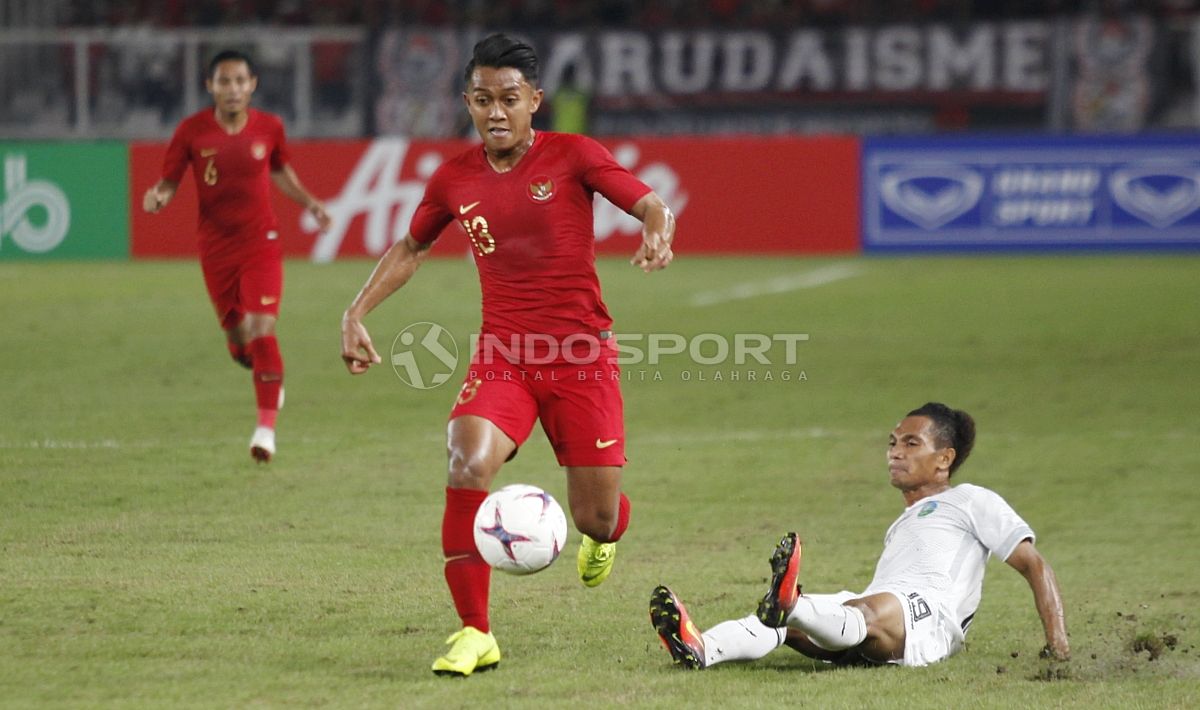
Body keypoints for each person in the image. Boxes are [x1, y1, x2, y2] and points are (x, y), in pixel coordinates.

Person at [340, 33, 675, 677]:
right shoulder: (453, 178)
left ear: (535, 102)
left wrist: (658, 232)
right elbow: (410, 249)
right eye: (483, 98)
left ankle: (604, 534)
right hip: (504, 356)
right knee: (466, 460)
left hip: (582, 358)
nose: (496, 111)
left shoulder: (574, 156)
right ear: (467, 102)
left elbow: (649, 202)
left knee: (598, 517)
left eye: (510, 99)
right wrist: (355, 311)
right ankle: (474, 632)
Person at [650, 402, 1070, 670]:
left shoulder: (971, 499)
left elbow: (1033, 563)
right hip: (878, 608)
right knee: (781, 621)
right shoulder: (903, 522)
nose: (895, 452)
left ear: (945, 458)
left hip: (929, 617)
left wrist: (1058, 644)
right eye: (892, 442)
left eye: (910, 443)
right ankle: (704, 649)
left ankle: (792, 605)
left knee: (856, 612)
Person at [142, 49, 330, 463]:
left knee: (264, 327)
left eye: (240, 81)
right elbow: (170, 181)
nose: (233, 89)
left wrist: (311, 203)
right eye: (224, 82)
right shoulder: (192, 131)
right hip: (215, 248)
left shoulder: (270, 127)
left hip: (261, 242)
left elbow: (280, 170)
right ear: (210, 86)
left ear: (253, 84)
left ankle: (265, 430)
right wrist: (158, 196)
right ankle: (261, 370)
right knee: (240, 339)